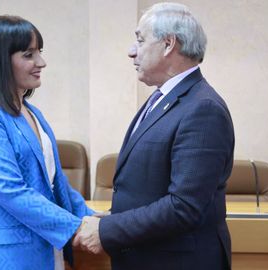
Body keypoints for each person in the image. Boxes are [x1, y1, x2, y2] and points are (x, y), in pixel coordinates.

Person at [73, 2, 234, 270]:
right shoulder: (164, 98)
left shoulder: (203, 109)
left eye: (140, 39)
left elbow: (184, 207)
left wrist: (108, 230)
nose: (131, 51)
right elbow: (150, 186)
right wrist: (113, 217)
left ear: (169, 44)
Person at [0, 15, 93, 270]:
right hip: (6, 258)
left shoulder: (32, 113)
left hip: (44, 249)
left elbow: (54, 184)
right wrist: (76, 227)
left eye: (39, 52)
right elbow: (10, 190)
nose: (41, 62)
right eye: (28, 54)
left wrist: (92, 219)